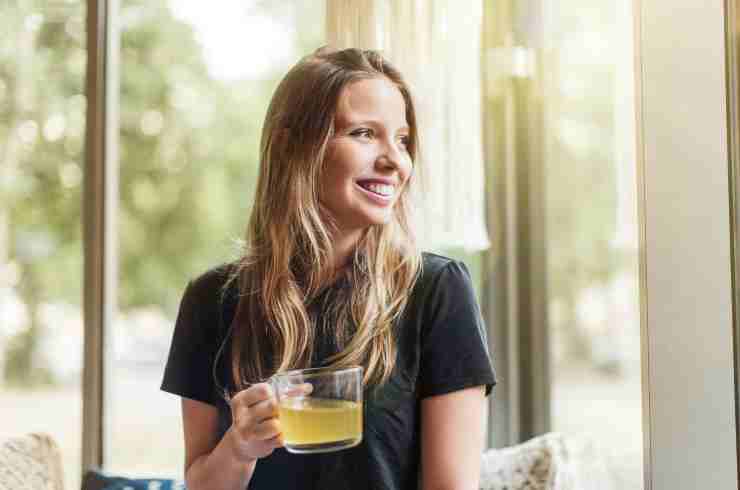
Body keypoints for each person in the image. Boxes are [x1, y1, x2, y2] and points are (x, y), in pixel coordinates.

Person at [161, 46, 497, 490]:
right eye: (364, 133)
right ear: (293, 146)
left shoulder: (435, 290)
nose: (395, 161)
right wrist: (238, 448)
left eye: (401, 139)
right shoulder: (212, 300)